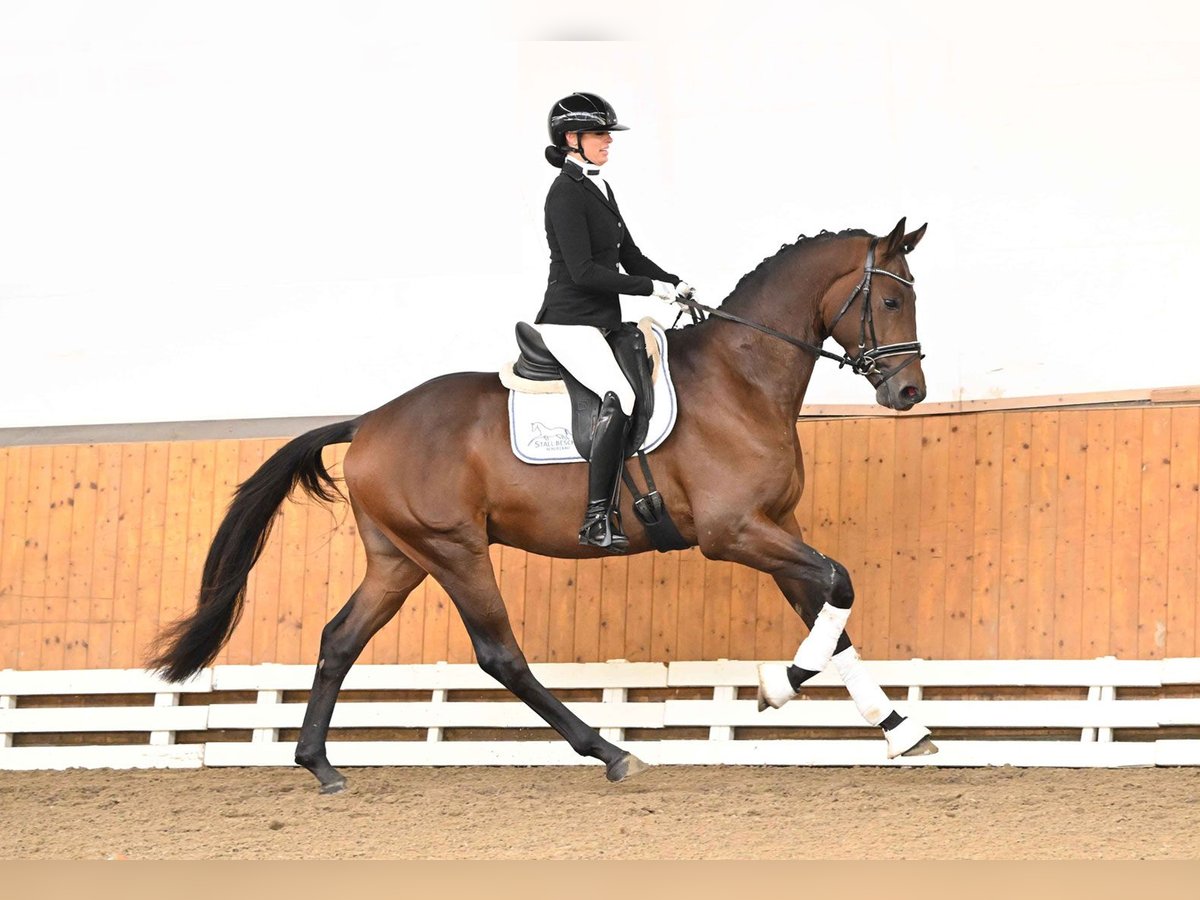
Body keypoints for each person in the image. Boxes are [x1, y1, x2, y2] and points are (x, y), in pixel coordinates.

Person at [535, 91, 693, 552]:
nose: (608, 141)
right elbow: (584, 272)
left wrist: (673, 282)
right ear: (572, 138)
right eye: (600, 134)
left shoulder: (598, 187)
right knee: (619, 395)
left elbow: (629, 256)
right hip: (569, 322)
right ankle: (596, 517)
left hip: (601, 321)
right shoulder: (564, 193)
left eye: (608, 134)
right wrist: (649, 290)